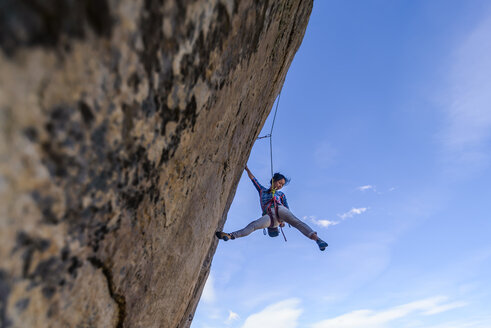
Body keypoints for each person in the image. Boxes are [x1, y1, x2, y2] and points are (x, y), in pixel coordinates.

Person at [216, 165, 328, 251]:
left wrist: (283, 221)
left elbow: (287, 208)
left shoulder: (281, 195)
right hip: (269, 216)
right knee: (253, 226)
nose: (280, 185)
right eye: (279, 182)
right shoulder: (262, 190)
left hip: (278, 212)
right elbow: (254, 180)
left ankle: (317, 239)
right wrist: (246, 168)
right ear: (274, 180)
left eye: (282, 185)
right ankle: (230, 236)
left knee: (296, 222)